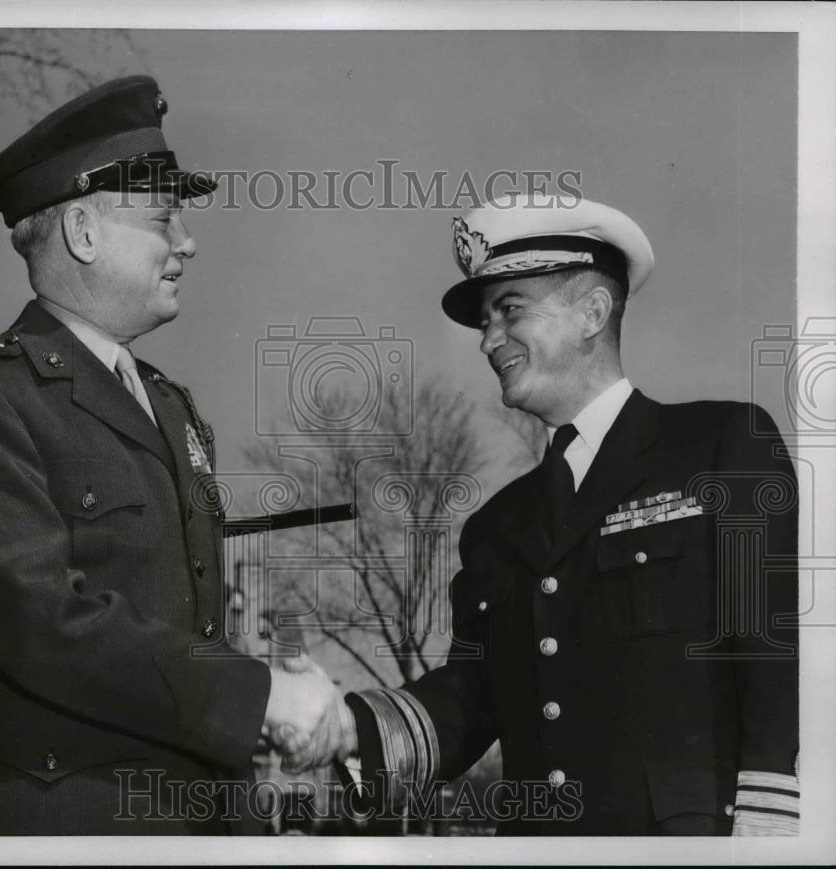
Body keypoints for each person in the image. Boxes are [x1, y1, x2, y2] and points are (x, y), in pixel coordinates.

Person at [0, 75, 348, 836]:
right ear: (83, 231)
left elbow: (187, 625)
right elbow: (38, 621)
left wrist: (268, 700)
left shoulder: (172, 408)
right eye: (164, 217)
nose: (188, 241)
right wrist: (257, 696)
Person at [283, 195, 800, 836]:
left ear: (592, 311)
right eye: (484, 321)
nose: (488, 339)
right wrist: (343, 725)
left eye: (510, 310)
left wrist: (769, 829)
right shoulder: (496, 528)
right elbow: (474, 695)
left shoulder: (721, 444)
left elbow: (769, 647)